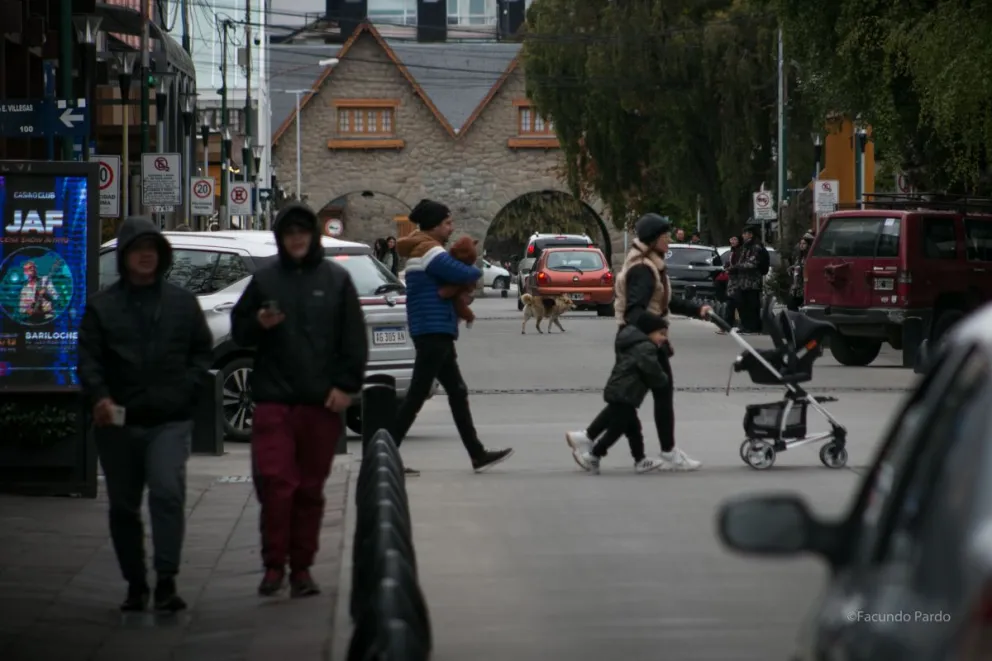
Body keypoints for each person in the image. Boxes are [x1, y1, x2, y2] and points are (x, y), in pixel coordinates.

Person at [230, 203, 367, 598]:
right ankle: (274, 565)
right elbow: (240, 331)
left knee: (309, 489)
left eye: (302, 232)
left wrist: (345, 386)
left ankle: (302, 569)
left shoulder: (336, 280)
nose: (296, 239)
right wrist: (258, 323)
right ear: (281, 237)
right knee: (276, 484)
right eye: (289, 233)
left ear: (312, 235)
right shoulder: (266, 281)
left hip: (320, 403)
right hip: (274, 401)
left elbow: (352, 340)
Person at [77, 216, 213, 613]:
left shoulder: (181, 303)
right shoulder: (102, 307)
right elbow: (89, 359)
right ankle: (136, 583)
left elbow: (201, 351)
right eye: (138, 250)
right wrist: (99, 396)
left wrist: (188, 388)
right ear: (124, 256)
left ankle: (167, 580)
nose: (146, 257)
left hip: (169, 420)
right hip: (118, 423)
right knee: (123, 505)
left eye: (152, 250)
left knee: (168, 492)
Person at [566, 213, 706, 470]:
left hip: (640, 339)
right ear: (653, 239)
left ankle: (592, 444)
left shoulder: (650, 264)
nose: (669, 240)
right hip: (641, 341)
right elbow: (635, 311)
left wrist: (698, 310)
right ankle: (665, 451)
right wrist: (655, 332)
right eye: (665, 236)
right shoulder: (643, 268)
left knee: (628, 401)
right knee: (646, 397)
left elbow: (665, 300)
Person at [392, 199, 513, 476]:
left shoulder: (422, 249)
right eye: (447, 223)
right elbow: (469, 271)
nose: (451, 228)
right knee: (417, 395)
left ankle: (477, 453)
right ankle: (383, 453)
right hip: (432, 331)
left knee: (456, 391)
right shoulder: (430, 251)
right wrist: (468, 276)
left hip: (436, 330)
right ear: (434, 226)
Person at [572, 313, 671, 474]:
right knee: (617, 428)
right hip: (626, 393)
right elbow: (651, 369)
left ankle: (640, 460)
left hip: (623, 391)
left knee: (633, 428)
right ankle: (594, 454)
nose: (664, 338)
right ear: (649, 332)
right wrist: (663, 379)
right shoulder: (646, 348)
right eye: (661, 334)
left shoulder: (636, 344)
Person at [730, 225, 764, 333]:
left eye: (745, 233)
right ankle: (745, 325)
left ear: (751, 234)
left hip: (752, 282)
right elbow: (741, 261)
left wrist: (737, 267)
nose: (743, 236)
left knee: (752, 305)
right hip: (743, 282)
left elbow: (752, 263)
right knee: (742, 304)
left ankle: (753, 327)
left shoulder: (756, 247)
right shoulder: (745, 246)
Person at [718, 235, 743, 335]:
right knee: (731, 303)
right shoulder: (732, 251)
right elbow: (731, 263)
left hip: (738, 281)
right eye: (731, 239)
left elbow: (739, 265)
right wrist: (727, 266)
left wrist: (731, 269)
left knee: (734, 303)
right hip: (732, 281)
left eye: (735, 239)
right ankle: (727, 326)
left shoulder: (740, 251)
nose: (732, 241)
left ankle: (730, 326)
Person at [788, 232, 814, 311]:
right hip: (796, 286)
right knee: (791, 305)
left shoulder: (810, 256)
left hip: (804, 286)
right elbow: (797, 265)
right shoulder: (799, 256)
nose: (802, 245)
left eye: (804, 243)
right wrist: (792, 268)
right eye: (801, 243)